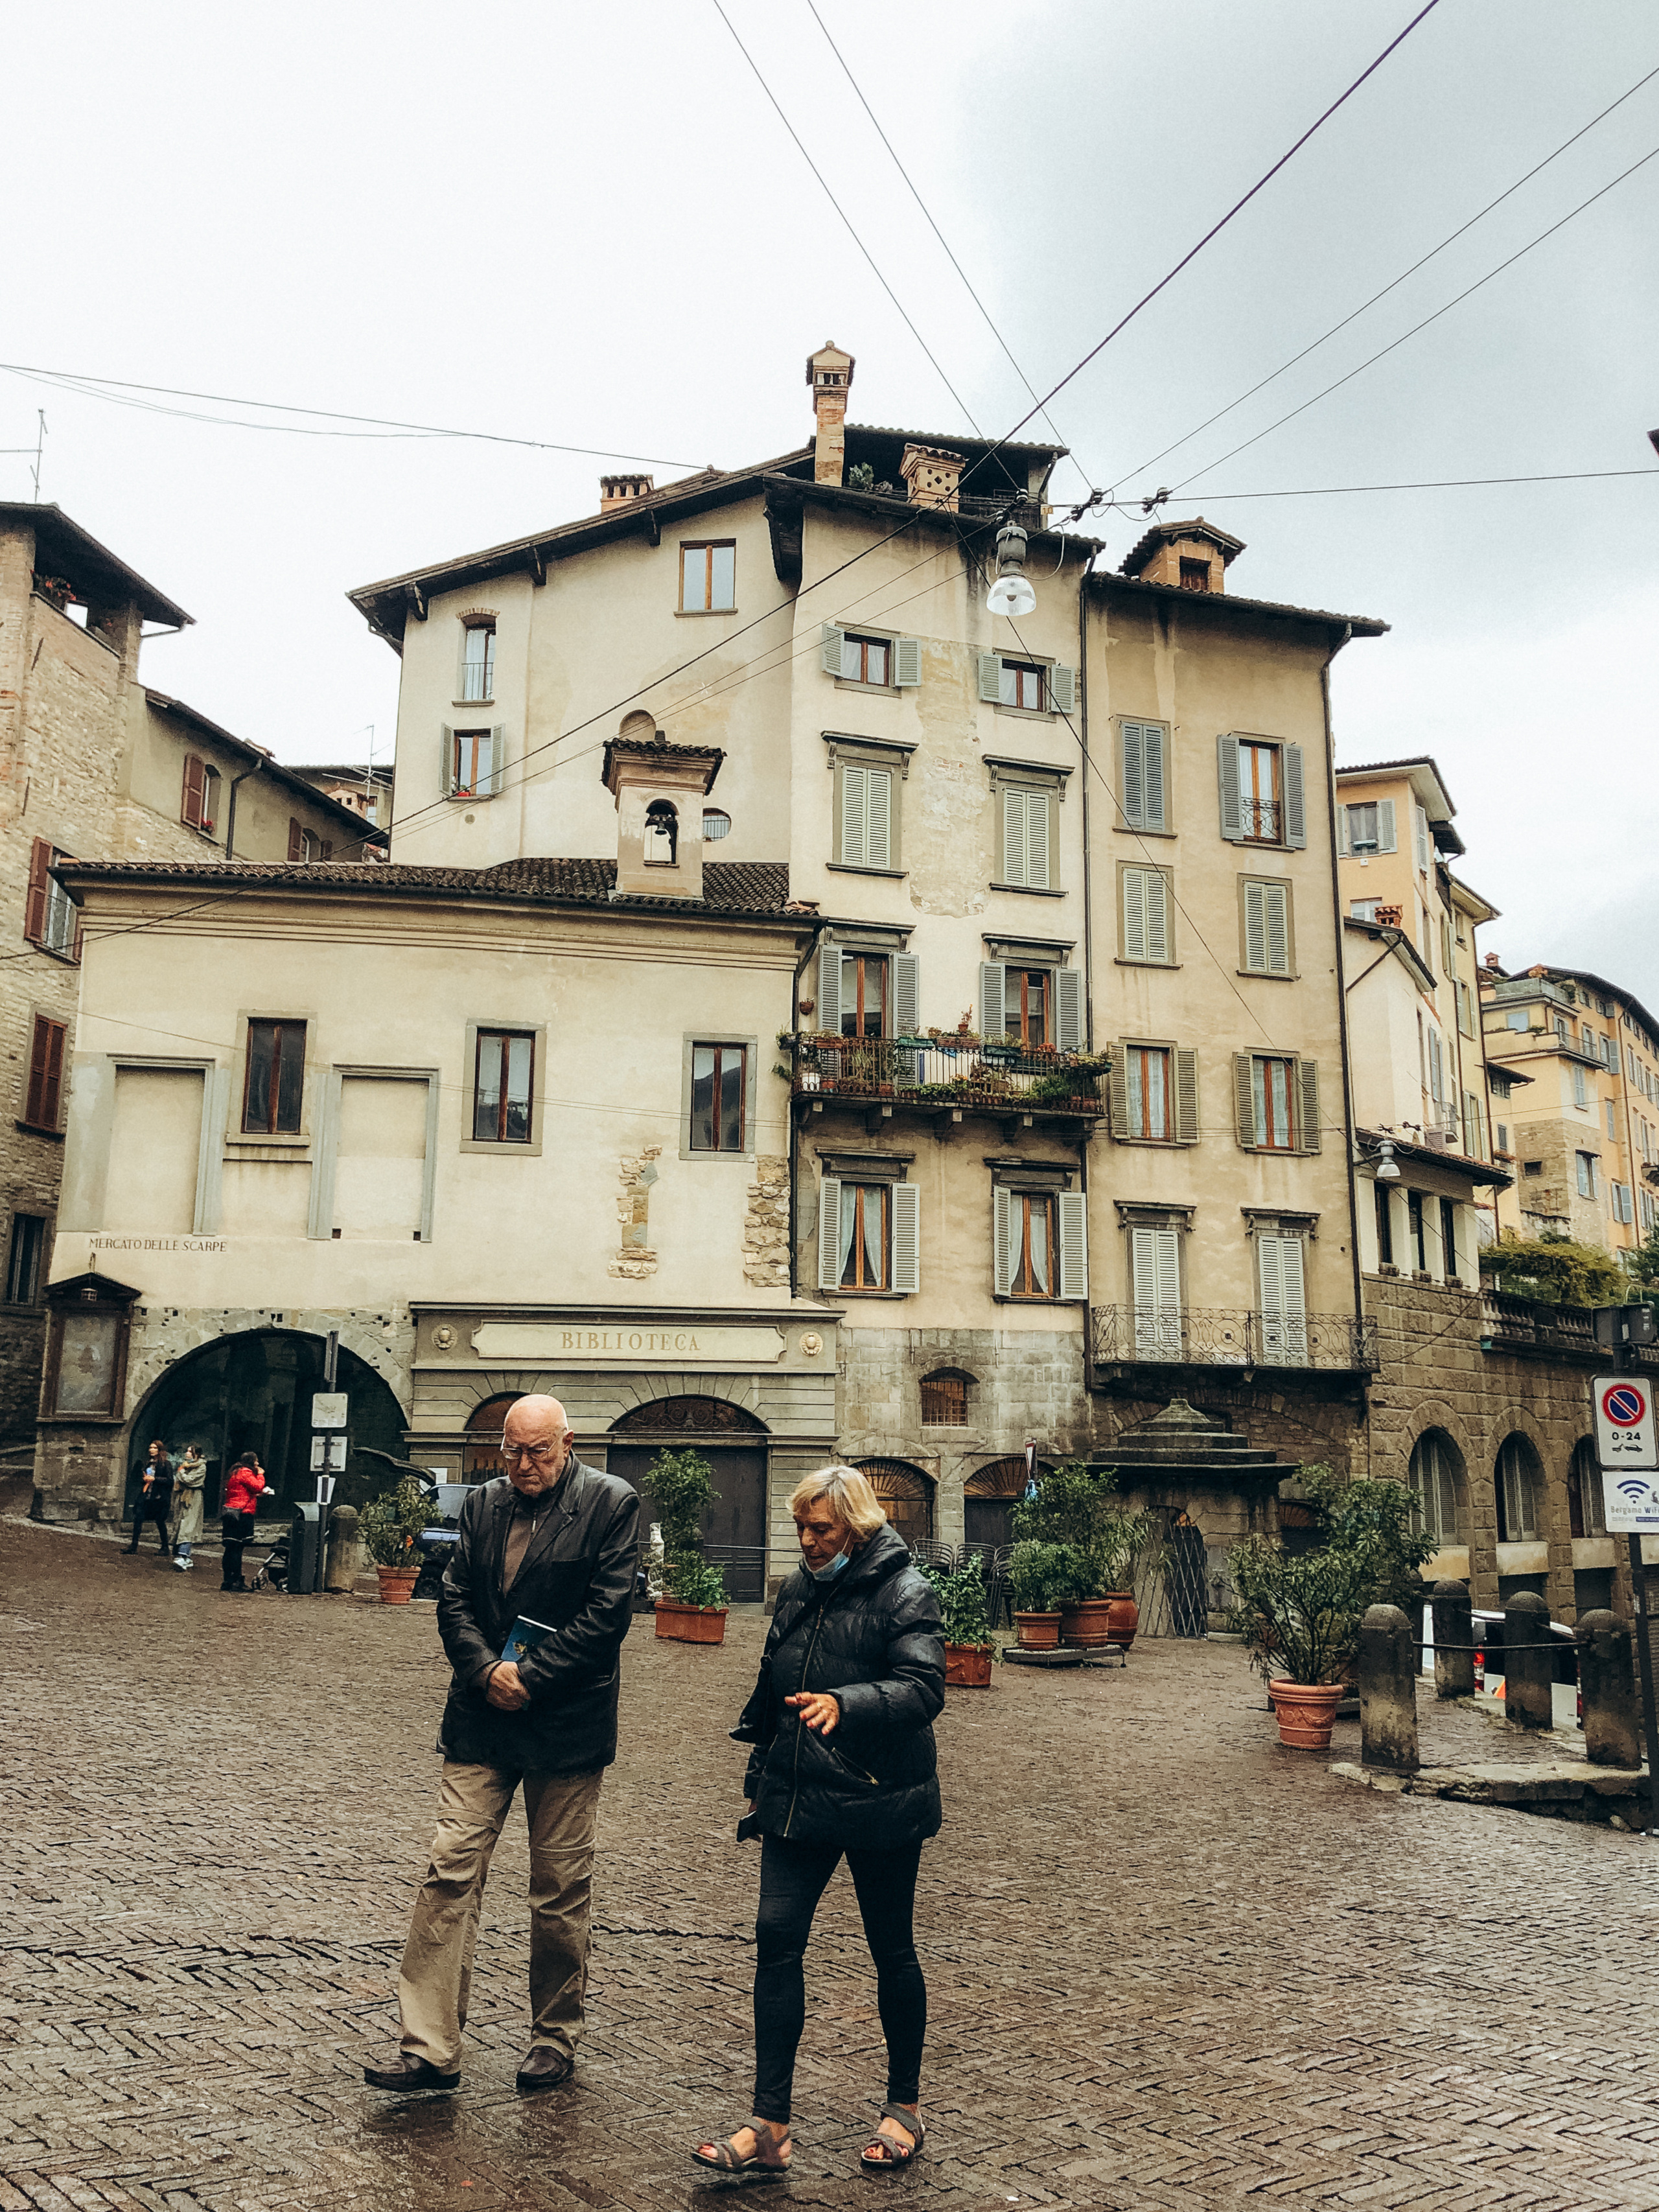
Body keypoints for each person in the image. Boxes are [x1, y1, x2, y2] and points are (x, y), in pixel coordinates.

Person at [364, 1393, 640, 2095]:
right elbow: (452, 1596)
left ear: (567, 1443)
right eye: (511, 1450)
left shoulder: (610, 1502)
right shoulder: (482, 1504)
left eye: (537, 1451)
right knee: (449, 1866)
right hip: (482, 1714)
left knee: (557, 1888)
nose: (522, 1464)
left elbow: (607, 1614)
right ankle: (429, 2047)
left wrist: (531, 1675)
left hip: (566, 1721)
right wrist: (488, 1670)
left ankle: (553, 2037)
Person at [693, 1465, 945, 2178]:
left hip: (880, 1795)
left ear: (855, 1527)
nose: (806, 1540)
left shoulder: (906, 1589)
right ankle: (769, 2123)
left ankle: (904, 2108)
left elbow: (925, 1685)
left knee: (890, 1949)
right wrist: (757, 1778)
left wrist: (849, 1701)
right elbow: (771, 1691)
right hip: (800, 1795)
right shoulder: (798, 1587)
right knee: (776, 1938)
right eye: (800, 1526)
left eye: (820, 1528)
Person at [220, 1454, 272, 1592]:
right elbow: (258, 1486)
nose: (258, 1464)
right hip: (242, 1513)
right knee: (237, 1547)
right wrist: (261, 1475)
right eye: (256, 1461)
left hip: (231, 1511)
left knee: (230, 1548)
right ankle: (236, 1580)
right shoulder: (246, 1472)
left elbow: (243, 1492)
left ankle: (228, 1580)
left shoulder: (235, 1472)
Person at [126, 1440, 174, 1557]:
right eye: (150, 1447)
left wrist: (155, 1479)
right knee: (138, 1519)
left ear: (159, 1450)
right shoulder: (147, 1464)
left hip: (159, 1498)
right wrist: (145, 1479)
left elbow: (170, 1481)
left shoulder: (165, 1464)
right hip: (146, 1495)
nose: (151, 1450)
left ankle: (165, 1547)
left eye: (154, 1448)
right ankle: (134, 1546)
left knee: (160, 1522)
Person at [171, 1445, 208, 1572]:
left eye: (189, 1451)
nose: (186, 1453)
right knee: (181, 1525)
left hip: (193, 1498)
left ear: (195, 1454)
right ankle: (185, 1556)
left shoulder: (201, 1467)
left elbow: (190, 1481)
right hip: (182, 1498)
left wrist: (181, 1472)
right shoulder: (186, 1466)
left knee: (188, 1527)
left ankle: (183, 1555)